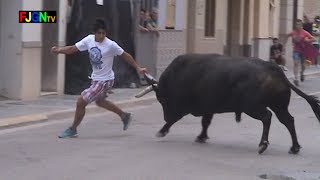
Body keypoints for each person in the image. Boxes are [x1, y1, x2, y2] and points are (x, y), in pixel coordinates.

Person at [51, 18, 147, 138]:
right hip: (96, 79)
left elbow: (125, 55)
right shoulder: (89, 40)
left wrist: (138, 68)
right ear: (94, 33)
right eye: (99, 33)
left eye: (103, 33)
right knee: (100, 102)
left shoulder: (110, 44)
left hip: (106, 81)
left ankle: (73, 129)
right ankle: (124, 116)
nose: (101, 36)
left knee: (81, 102)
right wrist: (59, 50)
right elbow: (72, 49)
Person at [283, 19, 317, 86]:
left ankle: (302, 73)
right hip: (296, 50)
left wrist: (307, 40)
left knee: (303, 65)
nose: (297, 26)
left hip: (304, 51)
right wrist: (284, 45)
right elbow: (286, 36)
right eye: (296, 24)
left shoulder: (305, 32)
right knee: (296, 63)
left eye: (298, 24)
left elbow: (314, 39)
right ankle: (296, 78)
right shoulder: (293, 32)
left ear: (301, 25)